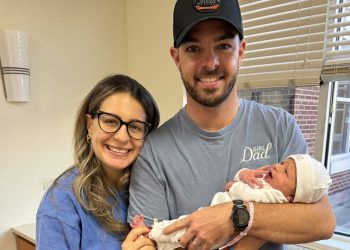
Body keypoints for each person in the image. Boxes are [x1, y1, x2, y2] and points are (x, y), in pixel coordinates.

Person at [128, 0, 336, 249]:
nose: (210, 63)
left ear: (241, 51)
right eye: (194, 49)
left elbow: (321, 221)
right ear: (176, 58)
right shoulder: (154, 151)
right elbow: (147, 241)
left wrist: (236, 216)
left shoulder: (280, 126)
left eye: (224, 46)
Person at [36, 74, 160, 250]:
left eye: (135, 126)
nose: (122, 137)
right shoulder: (62, 201)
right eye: (110, 121)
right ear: (89, 125)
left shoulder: (153, 189)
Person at [129, 154, 332, 250]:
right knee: (181, 230)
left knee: (180, 232)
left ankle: (152, 233)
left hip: (220, 236)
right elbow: (235, 183)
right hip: (209, 215)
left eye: (285, 172)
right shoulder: (268, 185)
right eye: (281, 163)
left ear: (292, 196)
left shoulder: (275, 197)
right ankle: (152, 236)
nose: (277, 168)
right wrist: (245, 174)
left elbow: (324, 222)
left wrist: (236, 192)